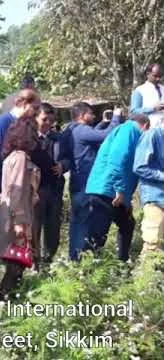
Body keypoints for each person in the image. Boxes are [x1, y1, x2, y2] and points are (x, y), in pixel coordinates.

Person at [0, 89, 41, 288]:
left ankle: (5, 289)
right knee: (5, 238)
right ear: (23, 103)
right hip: (6, 187)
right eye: (35, 108)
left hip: (12, 189)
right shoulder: (3, 123)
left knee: (10, 243)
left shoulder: (18, 155)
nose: (36, 112)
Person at [60, 102, 121, 260]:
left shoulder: (70, 130)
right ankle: (81, 259)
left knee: (77, 221)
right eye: (90, 114)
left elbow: (93, 135)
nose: (93, 116)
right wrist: (116, 118)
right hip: (85, 183)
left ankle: (74, 258)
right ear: (81, 115)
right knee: (85, 222)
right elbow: (107, 135)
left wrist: (103, 122)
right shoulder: (81, 130)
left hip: (76, 181)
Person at [85, 113, 150, 261]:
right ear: (145, 126)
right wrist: (120, 190)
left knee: (127, 223)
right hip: (107, 190)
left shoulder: (128, 131)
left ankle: (122, 262)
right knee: (98, 233)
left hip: (114, 191)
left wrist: (126, 199)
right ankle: (88, 270)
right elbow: (117, 159)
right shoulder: (129, 130)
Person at [31, 103, 67, 268]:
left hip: (55, 188)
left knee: (53, 227)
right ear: (36, 118)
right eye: (44, 119)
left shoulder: (58, 138)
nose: (47, 123)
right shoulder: (30, 139)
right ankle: (33, 263)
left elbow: (70, 158)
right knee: (34, 227)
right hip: (35, 190)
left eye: (51, 120)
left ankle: (48, 261)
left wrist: (63, 166)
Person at [133, 126, 164, 255]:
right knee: (153, 244)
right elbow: (140, 167)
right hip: (155, 197)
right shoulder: (153, 135)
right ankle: (147, 274)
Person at [130, 63, 164, 128]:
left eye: (160, 76)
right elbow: (134, 112)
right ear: (148, 74)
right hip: (149, 130)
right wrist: (153, 109)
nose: (158, 79)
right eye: (155, 76)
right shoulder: (140, 90)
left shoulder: (163, 88)